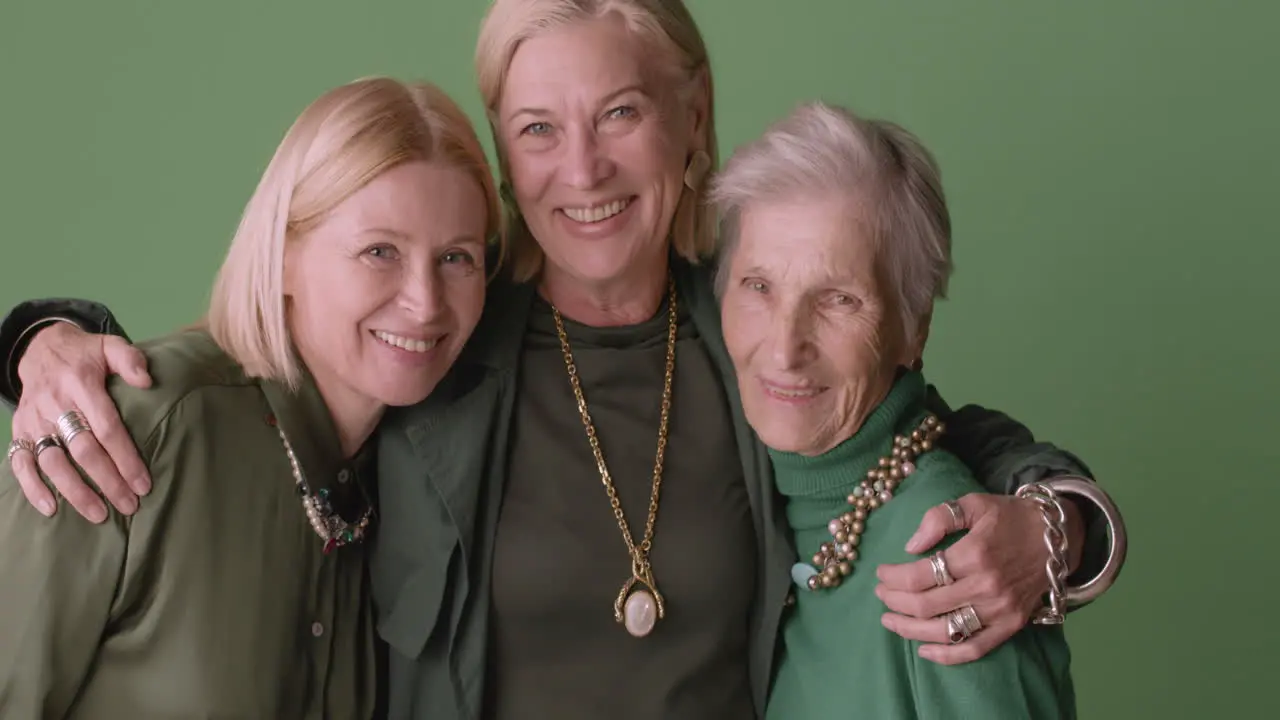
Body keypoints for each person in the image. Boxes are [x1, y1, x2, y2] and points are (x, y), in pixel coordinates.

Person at [0, 2, 1125, 718]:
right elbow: (256, 361)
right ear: (503, 151)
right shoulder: (434, 338)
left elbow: (900, 427)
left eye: (621, 113)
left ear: (692, 121)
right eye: (538, 127)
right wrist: (42, 341)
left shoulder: (749, 326)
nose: (580, 169)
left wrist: (1055, 519)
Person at [0, 76, 500, 718]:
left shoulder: (412, 474)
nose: (425, 302)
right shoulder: (142, 428)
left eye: (456, 258)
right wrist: (34, 335)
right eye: (380, 251)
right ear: (284, 252)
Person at [712, 100, 1076, 719]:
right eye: (758, 286)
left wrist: (1068, 520)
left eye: (837, 299)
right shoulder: (748, 492)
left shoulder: (955, 566)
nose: (783, 346)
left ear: (915, 329)